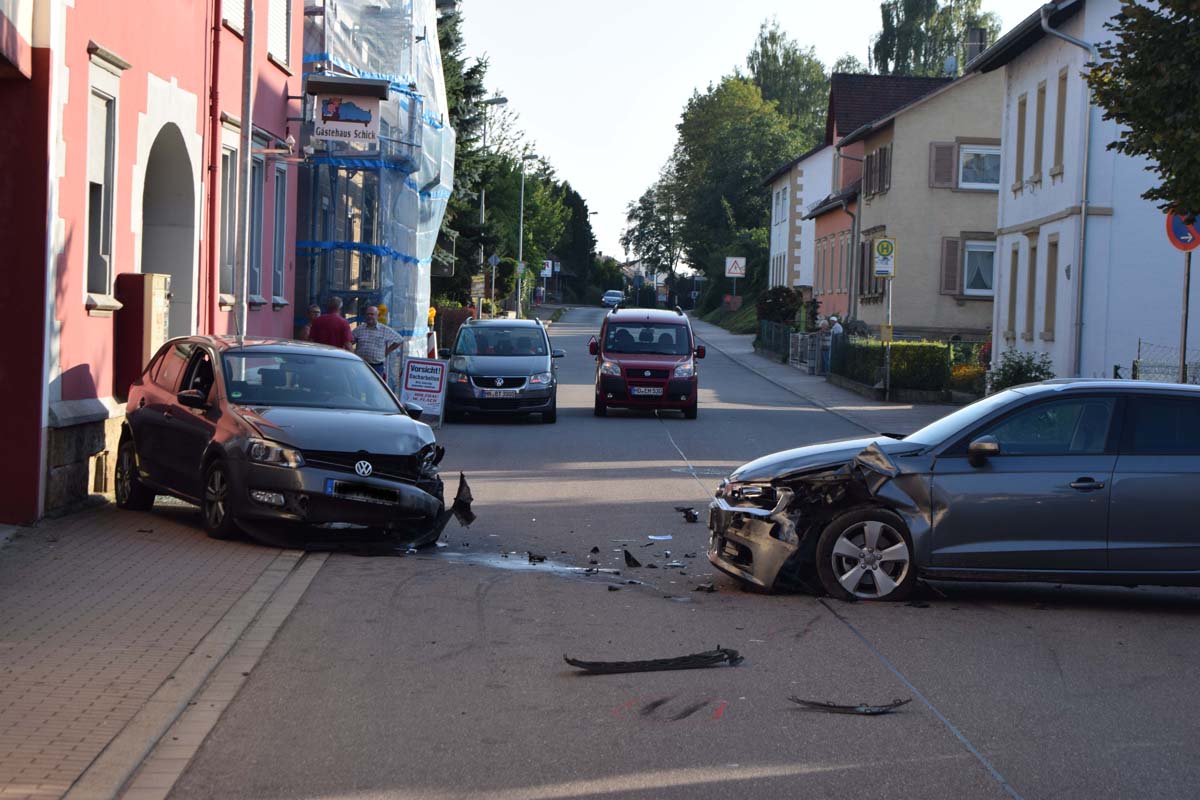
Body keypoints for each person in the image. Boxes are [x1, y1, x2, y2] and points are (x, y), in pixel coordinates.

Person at [354, 305, 403, 380]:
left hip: (376, 367)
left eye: (372, 314)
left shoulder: (384, 330)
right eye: (367, 314)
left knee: (373, 389)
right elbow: (349, 341)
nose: (369, 316)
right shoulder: (359, 329)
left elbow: (399, 339)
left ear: (377, 316)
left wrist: (387, 351)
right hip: (361, 365)